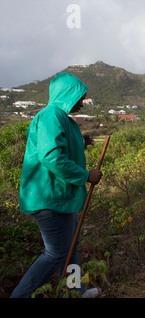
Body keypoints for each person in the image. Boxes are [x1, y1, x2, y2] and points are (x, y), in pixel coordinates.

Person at [10, 72, 103, 298]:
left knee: (70, 245)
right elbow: (52, 157)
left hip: (61, 196)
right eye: (80, 97)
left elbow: (60, 143)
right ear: (67, 95)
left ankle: (74, 291)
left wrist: (83, 141)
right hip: (49, 196)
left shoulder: (63, 119)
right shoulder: (51, 115)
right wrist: (85, 176)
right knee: (57, 252)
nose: (82, 102)